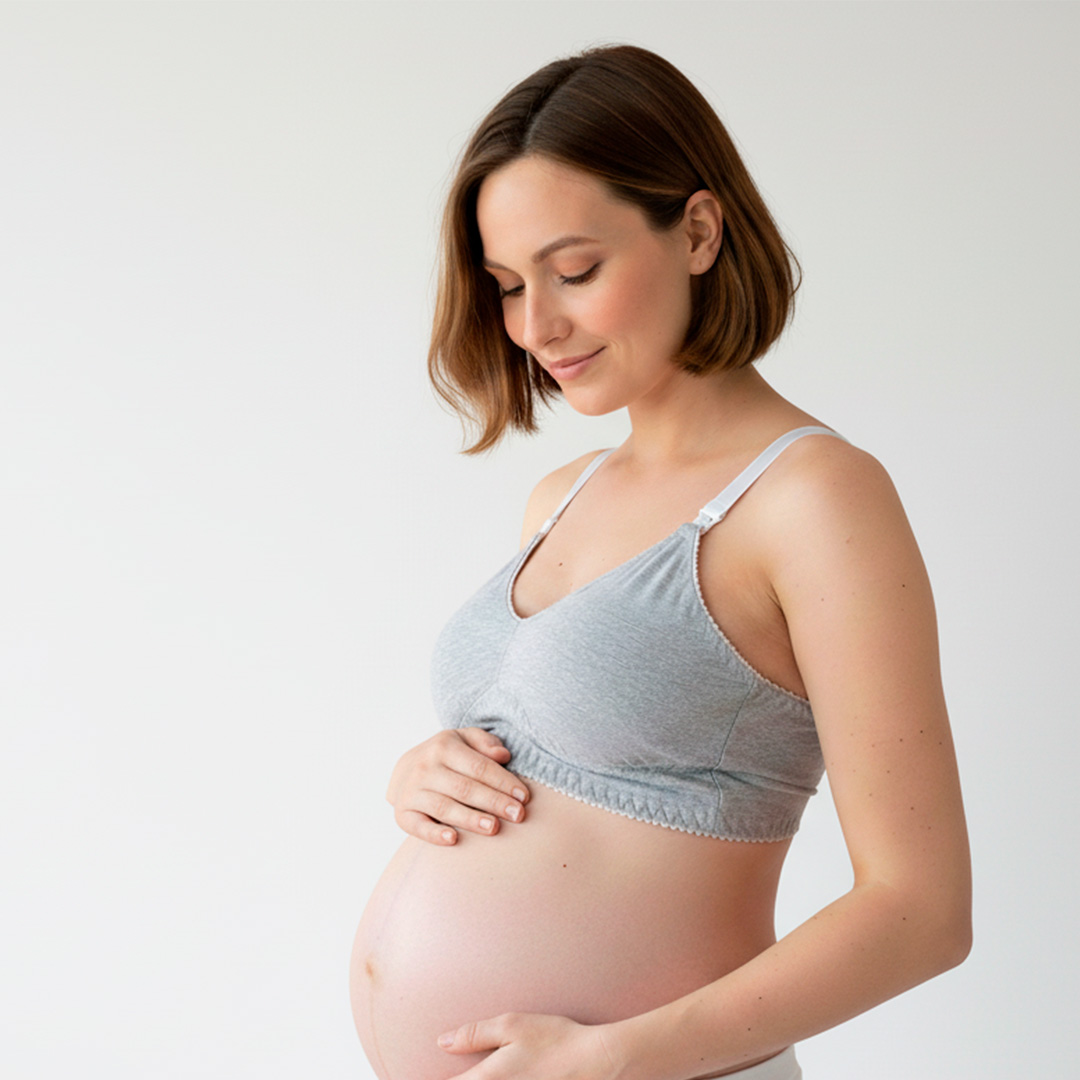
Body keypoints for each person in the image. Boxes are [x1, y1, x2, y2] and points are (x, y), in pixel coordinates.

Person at [349, 44, 971, 1080]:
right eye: (506, 286)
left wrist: (620, 1058)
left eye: (575, 269)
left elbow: (921, 911)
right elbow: (565, 775)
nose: (536, 325)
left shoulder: (815, 499)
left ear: (696, 230)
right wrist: (426, 776)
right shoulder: (566, 494)